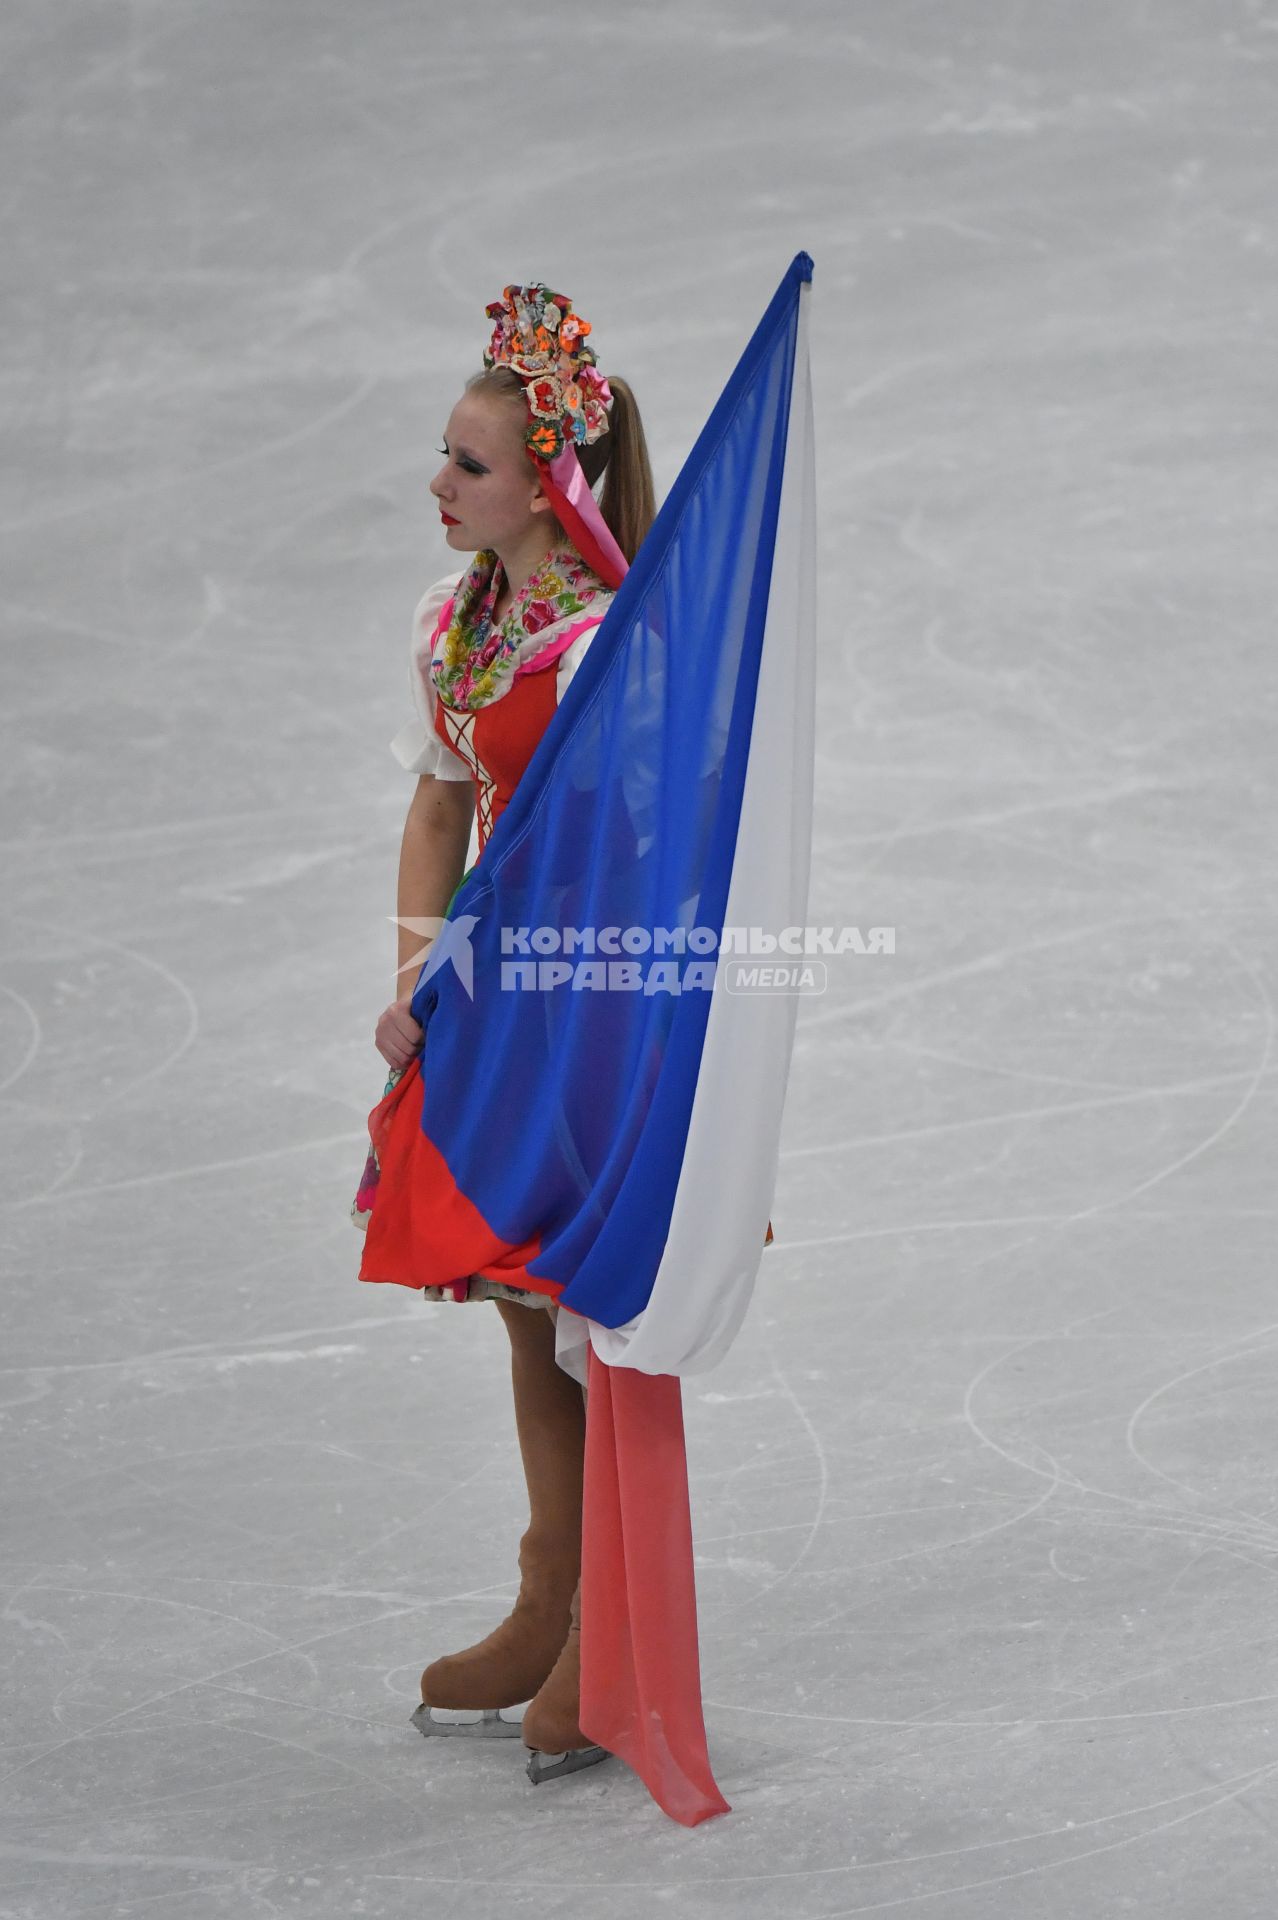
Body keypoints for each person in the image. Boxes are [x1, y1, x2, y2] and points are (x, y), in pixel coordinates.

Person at [354, 284, 656, 1782]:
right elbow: (435, 804)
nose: (438, 483)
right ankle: (549, 1594)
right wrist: (414, 979)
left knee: (592, 1307)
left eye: (467, 464)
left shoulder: (606, 644)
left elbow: (651, 848)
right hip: (489, 994)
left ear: (549, 485)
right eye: (444, 457)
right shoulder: (458, 623)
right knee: (522, 1301)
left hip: (590, 1001)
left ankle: (617, 1616)